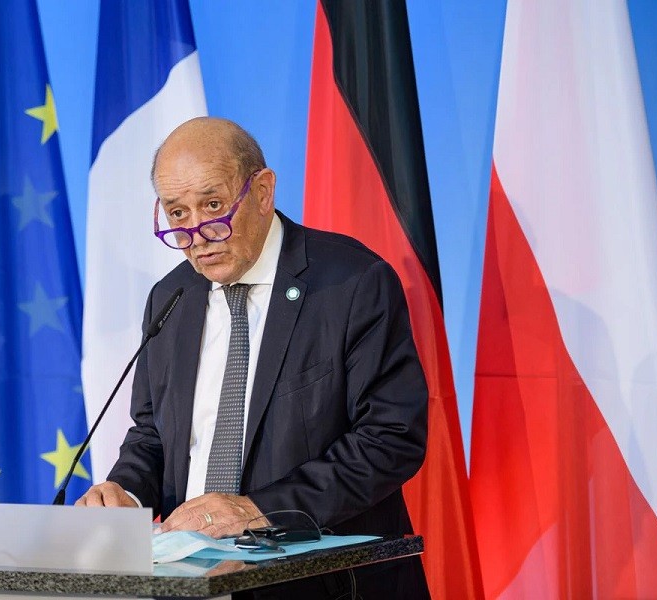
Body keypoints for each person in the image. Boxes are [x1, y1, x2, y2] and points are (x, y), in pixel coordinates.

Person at [76, 117, 429, 598]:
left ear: (262, 191)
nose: (197, 234)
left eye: (214, 205)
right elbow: (153, 435)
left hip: (324, 582)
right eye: (177, 214)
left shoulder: (351, 282)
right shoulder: (171, 298)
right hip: (195, 580)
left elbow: (391, 438)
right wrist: (126, 494)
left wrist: (257, 510)